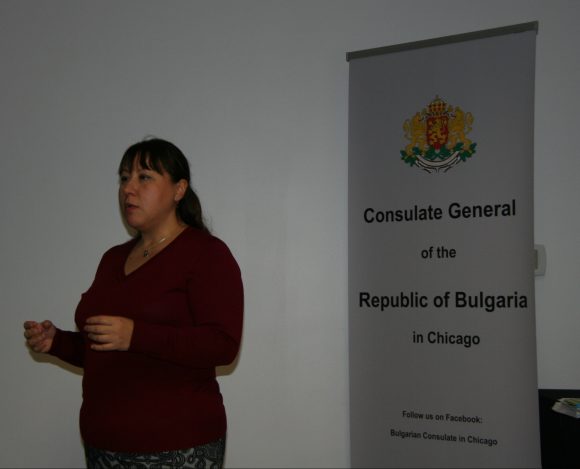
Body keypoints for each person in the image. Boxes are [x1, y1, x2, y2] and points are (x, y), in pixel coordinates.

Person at [23, 138, 244, 468]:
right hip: (103, 445)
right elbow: (103, 348)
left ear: (179, 189)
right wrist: (57, 342)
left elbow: (222, 345)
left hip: (176, 444)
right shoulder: (112, 259)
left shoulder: (206, 254)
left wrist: (135, 335)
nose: (128, 188)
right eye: (124, 178)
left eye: (144, 177)